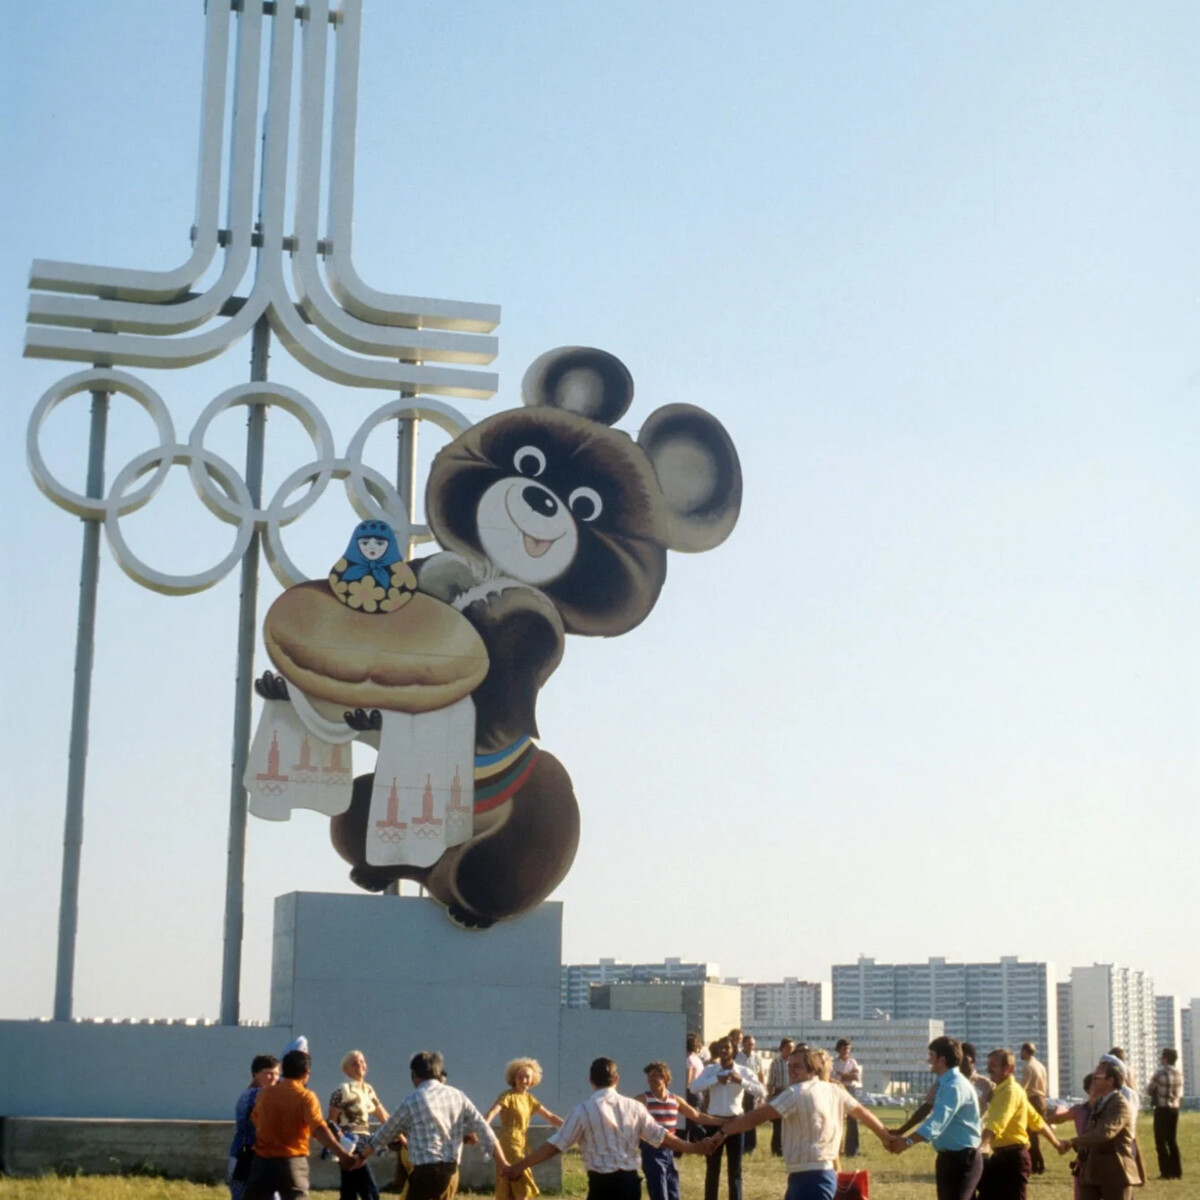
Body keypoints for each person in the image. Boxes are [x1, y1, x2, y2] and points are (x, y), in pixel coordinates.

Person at [704, 1044, 893, 1200]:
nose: (791, 1071)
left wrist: (722, 1133)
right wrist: (885, 1136)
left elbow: (756, 1117)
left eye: (797, 1066)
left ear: (812, 1069)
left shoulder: (796, 1092)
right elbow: (862, 1113)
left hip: (811, 1177)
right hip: (811, 1175)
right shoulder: (834, 1090)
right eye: (789, 1066)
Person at [504, 1056, 707, 1200]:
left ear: (591, 1081)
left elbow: (555, 1146)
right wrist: (694, 1148)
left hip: (602, 1185)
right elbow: (662, 1137)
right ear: (617, 1080)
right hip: (630, 1183)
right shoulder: (635, 1107)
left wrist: (518, 1167)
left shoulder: (583, 1110)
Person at [358, 1051, 510, 1200]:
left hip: (425, 1172)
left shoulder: (413, 1100)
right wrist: (502, 1162)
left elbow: (386, 1132)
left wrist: (361, 1156)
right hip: (451, 1174)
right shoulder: (458, 1096)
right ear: (438, 1073)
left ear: (414, 1075)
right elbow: (483, 1128)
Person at [245, 1048, 356, 1200]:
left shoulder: (265, 1094)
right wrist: (342, 1154)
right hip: (292, 1162)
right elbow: (318, 1129)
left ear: (283, 1069)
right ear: (306, 1073)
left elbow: (255, 1119)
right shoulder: (306, 1097)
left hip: (262, 1163)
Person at [886, 1036, 983, 1200]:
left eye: (931, 1055)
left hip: (963, 1159)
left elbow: (937, 1121)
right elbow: (928, 1111)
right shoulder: (946, 1083)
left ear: (942, 1060)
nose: (928, 1060)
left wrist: (907, 1141)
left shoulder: (954, 1086)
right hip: (948, 1158)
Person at [978, 1047, 1063, 1200]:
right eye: (988, 1064)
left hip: (1012, 1160)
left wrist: (982, 1146)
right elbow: (1037, 1121)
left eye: (993, 1065)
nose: (988, 1069)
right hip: (1002, 1157)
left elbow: (997, 1123)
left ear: (1007, 1068)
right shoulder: (1010, 1090)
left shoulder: (1010, 1091)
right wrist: (1057, 1144)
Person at [689, 1038, 767, 1200]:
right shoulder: (711, 1069)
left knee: (735, 1170)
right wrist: (716, 1079)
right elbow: (694, 1087)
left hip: (735, 1123)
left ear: (734, 1050)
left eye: (727, 1048)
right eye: (721, 1048)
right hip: (714, 1122)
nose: (724, 1051)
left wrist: (742, 1081)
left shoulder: (743, 1071)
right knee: (712, 1168)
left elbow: (762, 1092)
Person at [637, 1061, 726, 1200]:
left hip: (670, 1150)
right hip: (652, 1151)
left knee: (674, 1193)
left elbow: (697, 1116)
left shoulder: (675, 1100)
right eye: (649, 1076)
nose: (652, 1079)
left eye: (656, 1075)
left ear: (665, 1078)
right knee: (660, 1193)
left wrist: (723, 1122)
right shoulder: (643, 1099)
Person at [1058, 1059, 1141, 1200]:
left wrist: (1073, 1142)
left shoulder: (1120, 1105)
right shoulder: (1099, 1103)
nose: (1092, 1080)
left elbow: (1105, 1132)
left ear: (1110, 1081)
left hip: (1116, 1173)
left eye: (1097, 1077)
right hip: (1093, 1172)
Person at [484, 1057, 564, 1200]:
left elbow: (550, 1116)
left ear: (533, 1079)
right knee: (521, 1178)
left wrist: (570, 1126)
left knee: (511, 1181)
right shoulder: (507, 1096)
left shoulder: (530, 1099)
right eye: (520, 1077)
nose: (523, 1080)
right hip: (508, 1141)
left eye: (527, 1077)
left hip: (522, 1142)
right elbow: (492, 1112)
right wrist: (482, 1129)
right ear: (514, 1078)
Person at [329, 1050, 390, 1200]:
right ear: (346, 1069)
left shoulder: (368, 1090)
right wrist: (341, 1141)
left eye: (362, 1062)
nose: (360, 1066)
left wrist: (402, 1137)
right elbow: (331, 1121)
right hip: (350, 1143)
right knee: (367, 1187)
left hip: (365, 1140)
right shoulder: (341, 1091)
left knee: (350, 1187)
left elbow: (384, 1116)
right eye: (354, 1063)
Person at [229, 1055, 280, 1200]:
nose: (274, 1078)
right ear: (255, 1074)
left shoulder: (248, 1093)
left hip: (245, 1156)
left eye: (276, 1073)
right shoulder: (257, 1094)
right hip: (248, 1156)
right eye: (268, 1073)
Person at [1045, 1073, 1100, 1200]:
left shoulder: (1109, 1109)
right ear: (1088, 1089)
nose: (1098, 1089)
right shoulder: (1079, 1110)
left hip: (1103, 1159)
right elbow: (1059, 1118)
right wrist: (1040, 1123)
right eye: (1094, 1085)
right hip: (1084, 1160)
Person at [1147, 1048, 1183, 1180]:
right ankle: (1177, 1170)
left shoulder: (1159, 1073)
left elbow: (1150, 1090)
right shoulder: (1179, 1073)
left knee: (1160, 1141)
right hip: (1174, 1108)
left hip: (1162, 1109)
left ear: (1165, 1059)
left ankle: (1165, 1171)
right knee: (1172, 1140)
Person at [1017, 1042, 1048, 1175]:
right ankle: (1037, 1163)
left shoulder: (1028, 1066)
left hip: (1032, 1100)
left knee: (1030, 1134)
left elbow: (1023, 1086)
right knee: (1035, 1133)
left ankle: (1036, 1163)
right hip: (1041, 1100)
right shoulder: (1040, 1066)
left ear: (1025, 1051)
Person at [831, 1039, 862, 1157]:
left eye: (848, 1049)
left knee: (853, 1120)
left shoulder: (852, 1062)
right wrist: (847, 1076)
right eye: (844, 1048)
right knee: (836, 1119)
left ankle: (852, 1150)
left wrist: (843, 1075)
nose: (846, 1051)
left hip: (851, 1091)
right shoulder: (834, 1063)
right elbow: (833, 1078)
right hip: (838, 1090)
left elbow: (856, 1077)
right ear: (839, 1049)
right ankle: (835, 1149)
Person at [736, 1035, 766, 1154]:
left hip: (752, 1091)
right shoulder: (738, 1057)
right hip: (741, 1090)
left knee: (752, 1117)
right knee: (741, 1117)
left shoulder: (757, 1057)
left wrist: (762, 1090)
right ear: (743, 1044)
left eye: (752, 1045)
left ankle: (751, 1145)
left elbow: (760, 1074)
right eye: (748, 1044)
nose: (751, 1047)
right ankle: (741, 1145)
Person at [767, 1038, 795, 1156]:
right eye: (788, 1048)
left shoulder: (795, 1063)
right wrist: (770, 1096)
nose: (790, 1050)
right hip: (779, 1094)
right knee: (778, 1125)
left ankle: (789, 1149)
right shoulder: (776, 1062)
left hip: (792, 1094)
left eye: (792, 1048)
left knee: (790, 1124)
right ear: (782, 1048)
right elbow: (771, 1081)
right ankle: (776, 1150)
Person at [686, 1033, 708, 1141]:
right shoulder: (697, 1059)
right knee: (693, 1119)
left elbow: (688, 1080)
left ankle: (707, 1138)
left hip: (691, 1093)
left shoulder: (688, 1060)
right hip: (699, 1092)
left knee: (692, 1119)